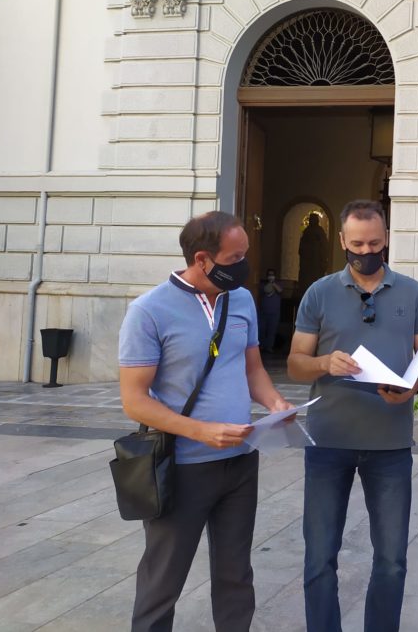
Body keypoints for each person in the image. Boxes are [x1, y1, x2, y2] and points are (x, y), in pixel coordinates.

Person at [117, 210, 293, 632]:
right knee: (164, 579)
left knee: (236, 575)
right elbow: (134, 401)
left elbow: (252, 369)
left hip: (239, 462)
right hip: (179, 466)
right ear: (201, 259)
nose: (245, 265)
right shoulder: (149, 311)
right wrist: (201, 432)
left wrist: (275, 402)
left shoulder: (243, 300)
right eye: (236, 257)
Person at [287, 199, 418, 632]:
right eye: (356, 244)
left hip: (390, 445)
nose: (365, 251)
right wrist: (323, 363)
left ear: (386, 239)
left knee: (391, 560)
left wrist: (416, 384)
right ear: (341, 241)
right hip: (328, 440)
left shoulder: (412, 292)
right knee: (319, 556)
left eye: (373, 243)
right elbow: (296, 363)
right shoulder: (319, 292)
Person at [298, 211, 330, 297]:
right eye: (311, 219)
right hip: (306, 262)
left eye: (313, 219)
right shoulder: (306, 231)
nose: (311, 221)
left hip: (316, 261)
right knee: (306, 280)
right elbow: (301, 247)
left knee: (315, 279)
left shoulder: (320, 231)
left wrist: (323, 260)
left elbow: (324, 246)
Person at [258, 267, 283, 353]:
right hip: (263, 312)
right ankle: (261, 346)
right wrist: (269, 284)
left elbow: (280, 290)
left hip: (274, 313)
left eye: (272, 275)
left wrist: (274, 284)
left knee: (271, 331)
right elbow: (265, 290)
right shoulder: (263, 284)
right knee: (262, 330)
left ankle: (269, 347)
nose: (271, 276)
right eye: (269, 275)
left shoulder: (279, 284)